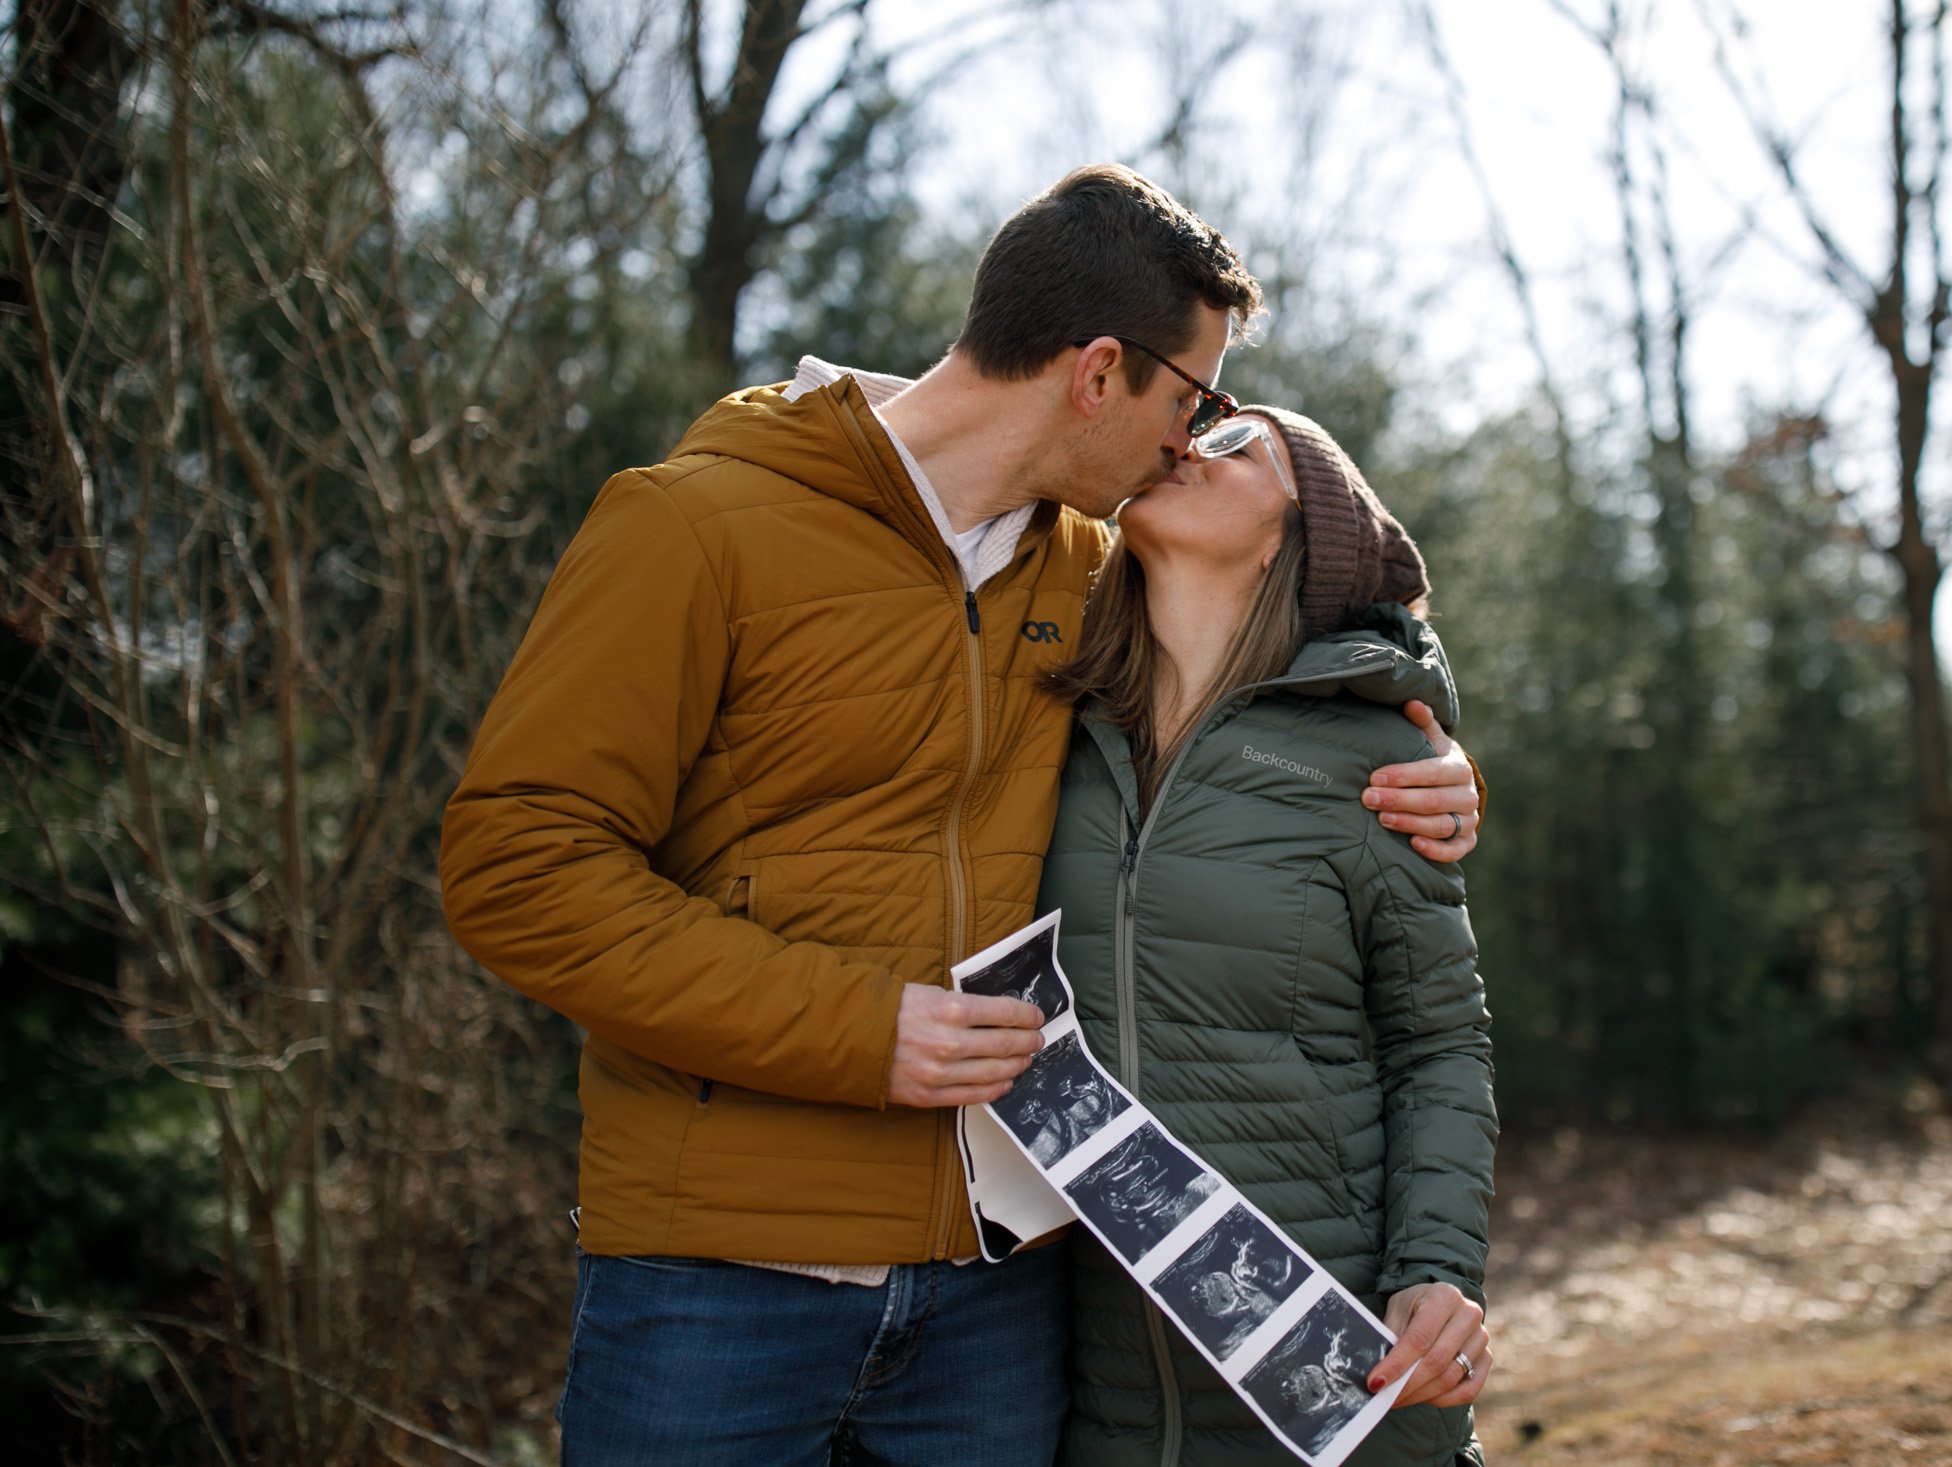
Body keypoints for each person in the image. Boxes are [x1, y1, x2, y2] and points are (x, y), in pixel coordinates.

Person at [438, 164, 1485, 1466]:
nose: (1191, 441)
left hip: (1002, 1301)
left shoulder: (1096, 565)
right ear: (1099, 373)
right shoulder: (696, 526)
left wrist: (1429, 741)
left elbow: (1315, 619)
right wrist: (861, 1030)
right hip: (721, 1281)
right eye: (1192, 399)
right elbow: (516, 866)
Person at [1037, 406, 1497, 1466]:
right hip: (1086, 1385)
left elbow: (1440, 1045)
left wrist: (1436, 1267)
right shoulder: (1050, 724)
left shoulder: (1378, 757)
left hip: (1335, 1370)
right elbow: (958, 420)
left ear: (1305, 529)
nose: (1189, 446)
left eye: (1241, 445)